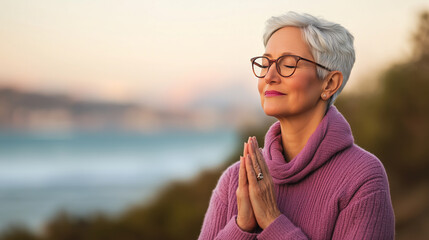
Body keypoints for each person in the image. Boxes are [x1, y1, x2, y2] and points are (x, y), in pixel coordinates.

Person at [198, 11, 395, 239]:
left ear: (330, 83)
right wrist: (242, 226)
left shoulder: (362, 178)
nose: (270, 76)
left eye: (288, 64)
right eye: (266, 63)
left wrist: (272, 221)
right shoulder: (234, 180)